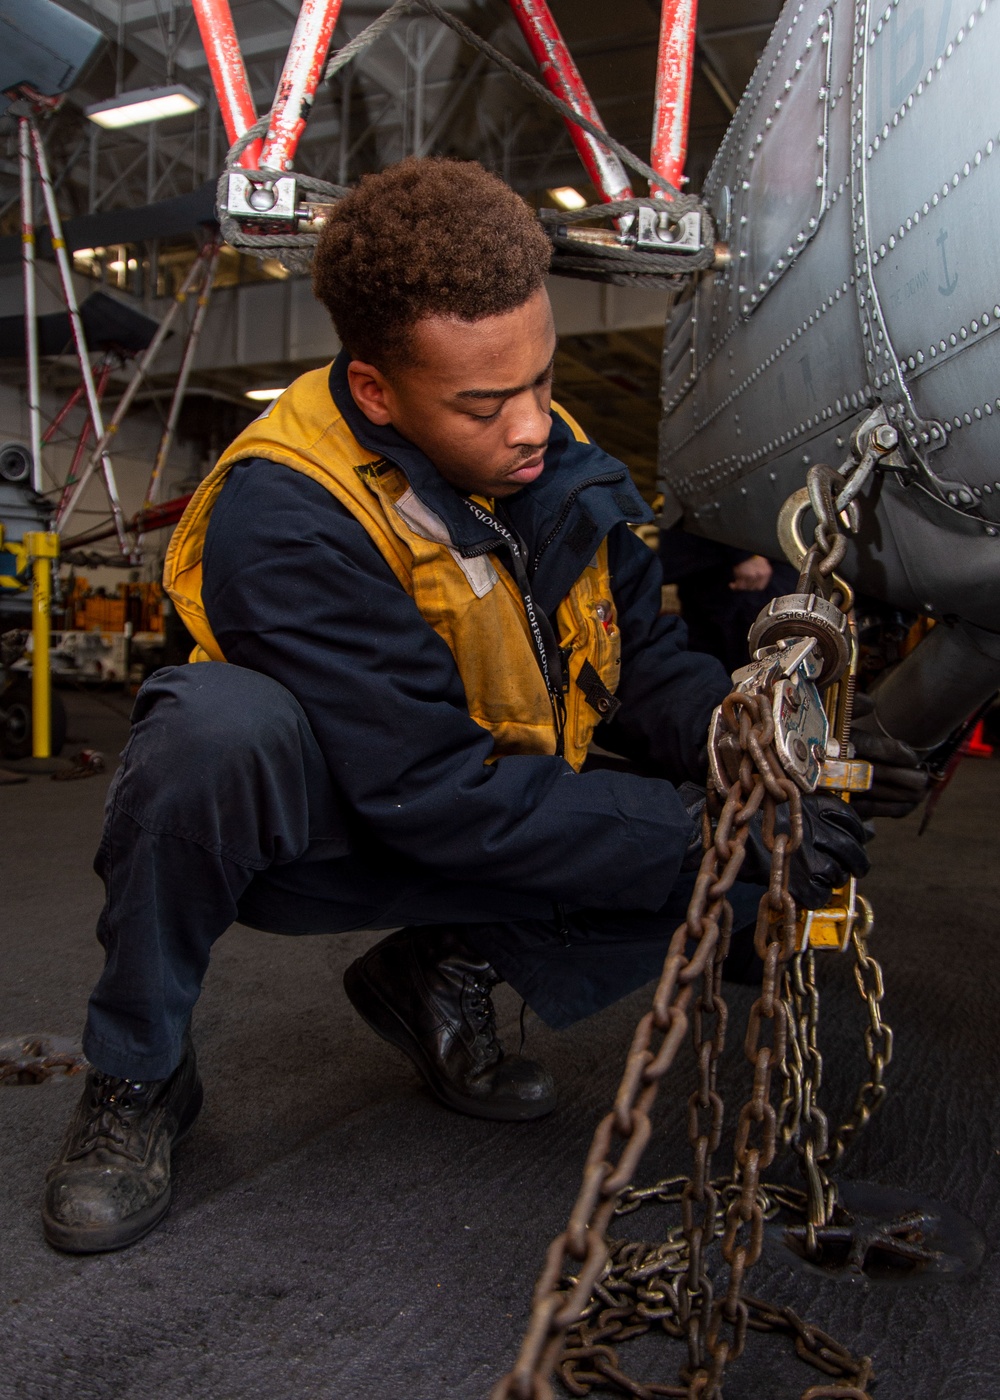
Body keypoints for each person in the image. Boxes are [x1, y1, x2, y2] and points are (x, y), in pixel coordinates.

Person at [41, 159, 869, 1255]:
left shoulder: (557, 462)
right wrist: (694, 826)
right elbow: (428, 790)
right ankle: (138, 1070)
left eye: (539, 378)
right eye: (484, 404)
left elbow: (643, 661)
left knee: (741, 848)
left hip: (492, 791)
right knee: (209, 730)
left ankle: (443, 968)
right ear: (378, 391)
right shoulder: (288, 510)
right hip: (331, 827)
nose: (531, 424)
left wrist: (746, 741)